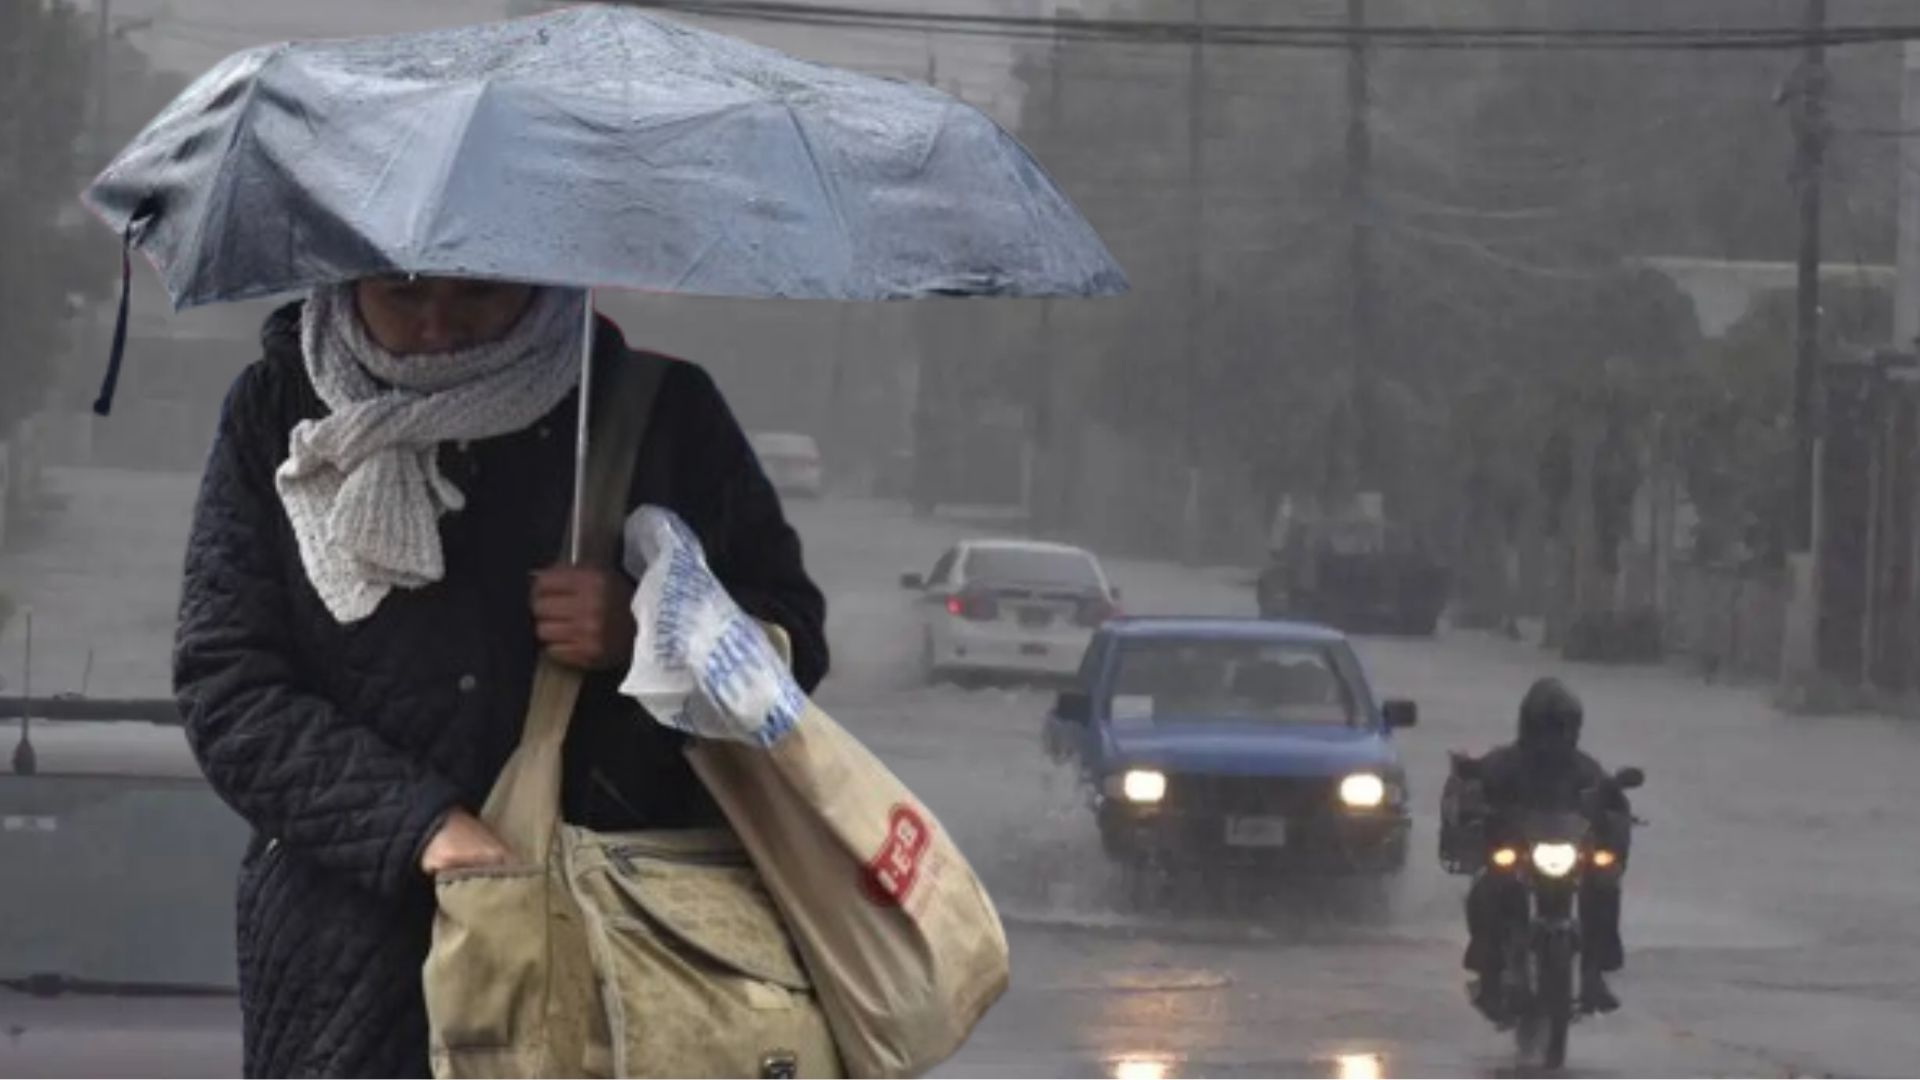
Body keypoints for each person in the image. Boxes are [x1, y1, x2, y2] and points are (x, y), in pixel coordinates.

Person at [174, 275, 829, 1078]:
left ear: (543, 278)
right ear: (345, 277)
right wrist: (415, 824)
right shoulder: (277, 410)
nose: (437, 327)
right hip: (350, 978)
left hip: (616, 969)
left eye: (478, 296)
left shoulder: (656, 411)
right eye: (401, 295)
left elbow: (791, 649)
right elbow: (228, 688)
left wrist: (644, 631)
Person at [1457, 677, 1631, 1018]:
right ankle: (1490, 974)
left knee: (1604, 885)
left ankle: (1594, 973)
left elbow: (1612, 801)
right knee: (1488, 889)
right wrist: (1474, 793)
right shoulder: (1504, 763)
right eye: (1547, 727)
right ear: (1529, 724)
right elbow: (1474, 787)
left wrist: (1613, 806)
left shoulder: (1584, 767)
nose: (1554, 737)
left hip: (1567, 853)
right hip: (1520, 853)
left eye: (1562, 727)